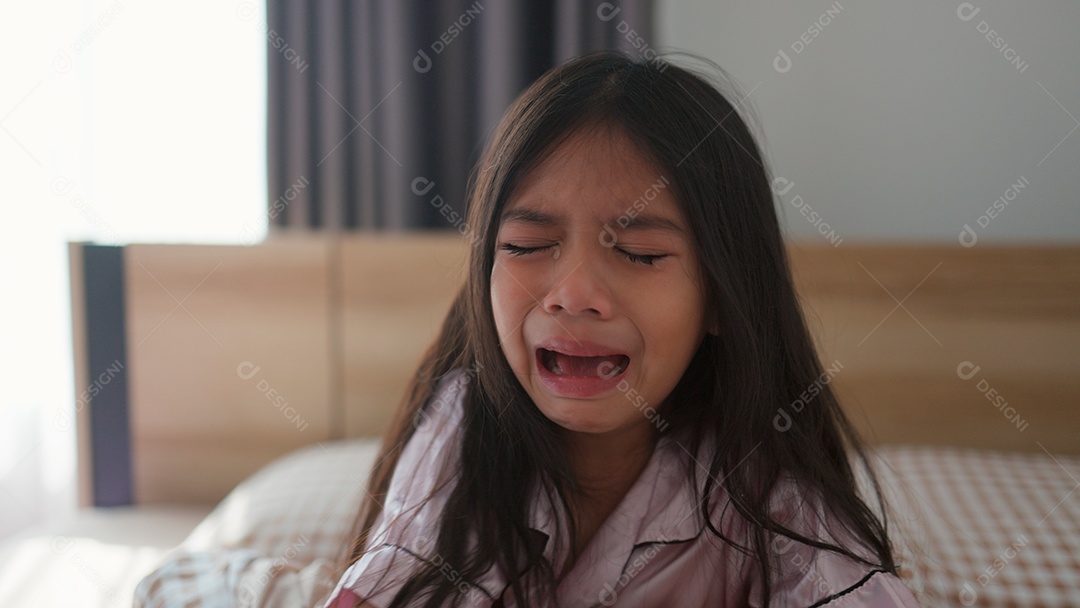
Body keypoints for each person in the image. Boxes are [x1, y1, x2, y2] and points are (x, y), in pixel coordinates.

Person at [326, 51, 921, 608]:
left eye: (640, 254)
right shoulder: (463, 428)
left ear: (722, 295)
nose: (573, 295)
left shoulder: (764, 492)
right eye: (527, 245)